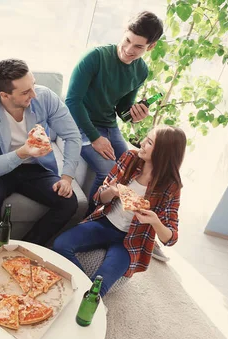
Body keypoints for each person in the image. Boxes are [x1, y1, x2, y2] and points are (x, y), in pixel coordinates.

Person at [65, 11, 170, 261]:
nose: (128, 50)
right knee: (109, 170)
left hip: (109, 126)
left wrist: (135, 115)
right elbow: (72, 101)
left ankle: (144, 231)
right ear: (123, 32)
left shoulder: (140, 71)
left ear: (151, 46)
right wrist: (94, 137)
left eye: (138, 47)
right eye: (127, 41)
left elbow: (122, 111)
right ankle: (89, 222)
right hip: (80, 124)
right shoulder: (95, 58)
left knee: (145, 166)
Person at [52, 126, 186, 297]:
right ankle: (82, 293)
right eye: (146, 138)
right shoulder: (130, 158)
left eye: (149, 142)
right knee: (60, 245)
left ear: (163, 152)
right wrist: (112, 192)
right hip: (104, 223)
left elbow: (170, 238)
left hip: (130, 241)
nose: (142, 143)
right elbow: (98, 197)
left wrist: (154, 221)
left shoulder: (171, 186)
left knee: (100, 285)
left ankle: (86, 298)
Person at [0, 59, 82, 246]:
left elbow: (72, 136)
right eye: (25, 92)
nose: (34, 94)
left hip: (36, 168)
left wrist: (66, 178)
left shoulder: (44, 97)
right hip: (1, 169)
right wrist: (23, 152)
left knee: (69, 202)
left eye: (33, 85)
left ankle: (24, 248)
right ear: (5, 95)